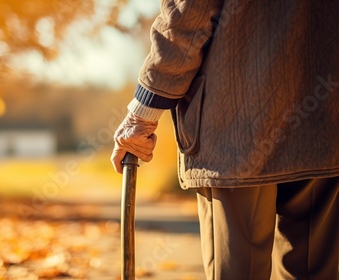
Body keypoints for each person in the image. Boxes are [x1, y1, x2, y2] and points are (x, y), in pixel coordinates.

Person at [111, 0, 339, 279]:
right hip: (325, 119)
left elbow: (188, 14)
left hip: (236, 126)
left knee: (238, 270)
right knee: (311, 269)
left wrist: (144, 111)